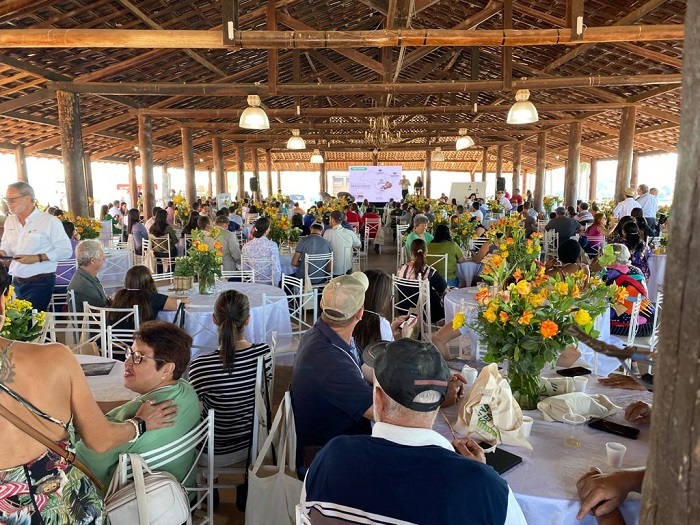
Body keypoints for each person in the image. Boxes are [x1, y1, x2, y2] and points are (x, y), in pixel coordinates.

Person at [0, 264, 176, 522]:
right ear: (4, 302)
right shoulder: (55, 359)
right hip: (58, 509)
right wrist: (139, 424)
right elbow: (99, 439)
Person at [301, 339, 527, 525]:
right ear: (440, 402)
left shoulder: (330, 458)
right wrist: (477, 474)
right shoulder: (485, 488)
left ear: (377, 399)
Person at [76, 320, 200, 489]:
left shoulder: (129, 418)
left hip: (133, 507)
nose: (127, 363)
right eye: (130, 353)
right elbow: (131, 404)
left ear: (166, 369)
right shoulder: (186, 391)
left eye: (139, 358)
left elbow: (81, 462)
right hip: (182, 492)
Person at [290, 272, 374, 469]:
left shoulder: (319, 333)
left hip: (332, 439)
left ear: (322, 307)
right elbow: (384, 413)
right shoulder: (332, 364)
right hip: (328, 458)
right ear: (360, 313)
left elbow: (363, 368)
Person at [189, 290, 271, 470]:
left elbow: (193, 412)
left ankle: (211, 490)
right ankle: (247, 488)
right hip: (254, 443)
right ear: (247, 320)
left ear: (214, 319)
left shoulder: (200, 366)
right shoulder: (264, 354)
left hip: (214, 453)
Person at [0, 182, 72, 311]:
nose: (8, 203)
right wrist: (3, 253)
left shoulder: (49, 221)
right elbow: (5, 245)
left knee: (30, 322)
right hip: (15, 281)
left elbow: (66, 250)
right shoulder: (10, 221)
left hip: (40, 281)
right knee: (20, 325)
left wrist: (38, 257)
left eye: (12, 199)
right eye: (7, 199)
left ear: (27, 198)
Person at [108, 265, 186, 330]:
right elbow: (180, 304)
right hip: (140, 341)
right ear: (149, 281)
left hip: (114, 340)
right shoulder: (151, 297)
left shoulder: (119, 295)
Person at [352, 269, 412, 351]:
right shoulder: (379, 323)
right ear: (382, 298)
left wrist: (390, 330)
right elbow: (391, 358)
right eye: (389, 296)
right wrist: (406, 337)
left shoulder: (349, 315)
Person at [604, 244, 655, 337]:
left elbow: (600, 294)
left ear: (612, 257)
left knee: (597, 326)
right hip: (651, 321)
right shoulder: (636, 269)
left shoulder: (611, 273)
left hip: (634, 327)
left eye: (605, 255)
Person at [397, 239, 448, 323]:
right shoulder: (430, 272)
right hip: (426, 312)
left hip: (404, 309)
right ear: (426, 252)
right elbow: (444, 290)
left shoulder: (401, 269)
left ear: (410, 252)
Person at [68, 240, 108, 312]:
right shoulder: (84, 285)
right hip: (93, 321)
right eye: (102, 257)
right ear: (93, 260)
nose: (104, 259)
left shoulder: (84, 275)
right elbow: (103, 312)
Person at [241, 216, 283, 285]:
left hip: (253, 283)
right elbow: (276, 269)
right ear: (266, 230)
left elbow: (245, 269)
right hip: (269, 283)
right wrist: (275, 285)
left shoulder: (246, 246)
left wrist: (252, 279)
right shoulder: (272, 245)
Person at [323, 210, 361, 277]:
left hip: (332, 270)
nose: (329, 221)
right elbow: (358, 246)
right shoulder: (350, 233)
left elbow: (323, 249)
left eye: (329, 219)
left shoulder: (328, 233)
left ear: (332, 219)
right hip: (347, 269)